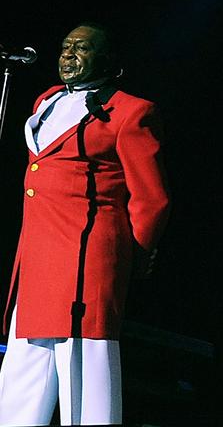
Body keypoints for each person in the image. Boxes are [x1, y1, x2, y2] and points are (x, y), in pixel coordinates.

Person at [0, 22, 170, 425]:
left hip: (85, 258)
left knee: (84, 372)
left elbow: (152, 197)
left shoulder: (130, 112)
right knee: (23, 371)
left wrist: (134, 255)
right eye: (65, 46)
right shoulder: (47, 101)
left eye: (83, 48)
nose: (69, 54)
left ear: (109, 60)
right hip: (38, 257)